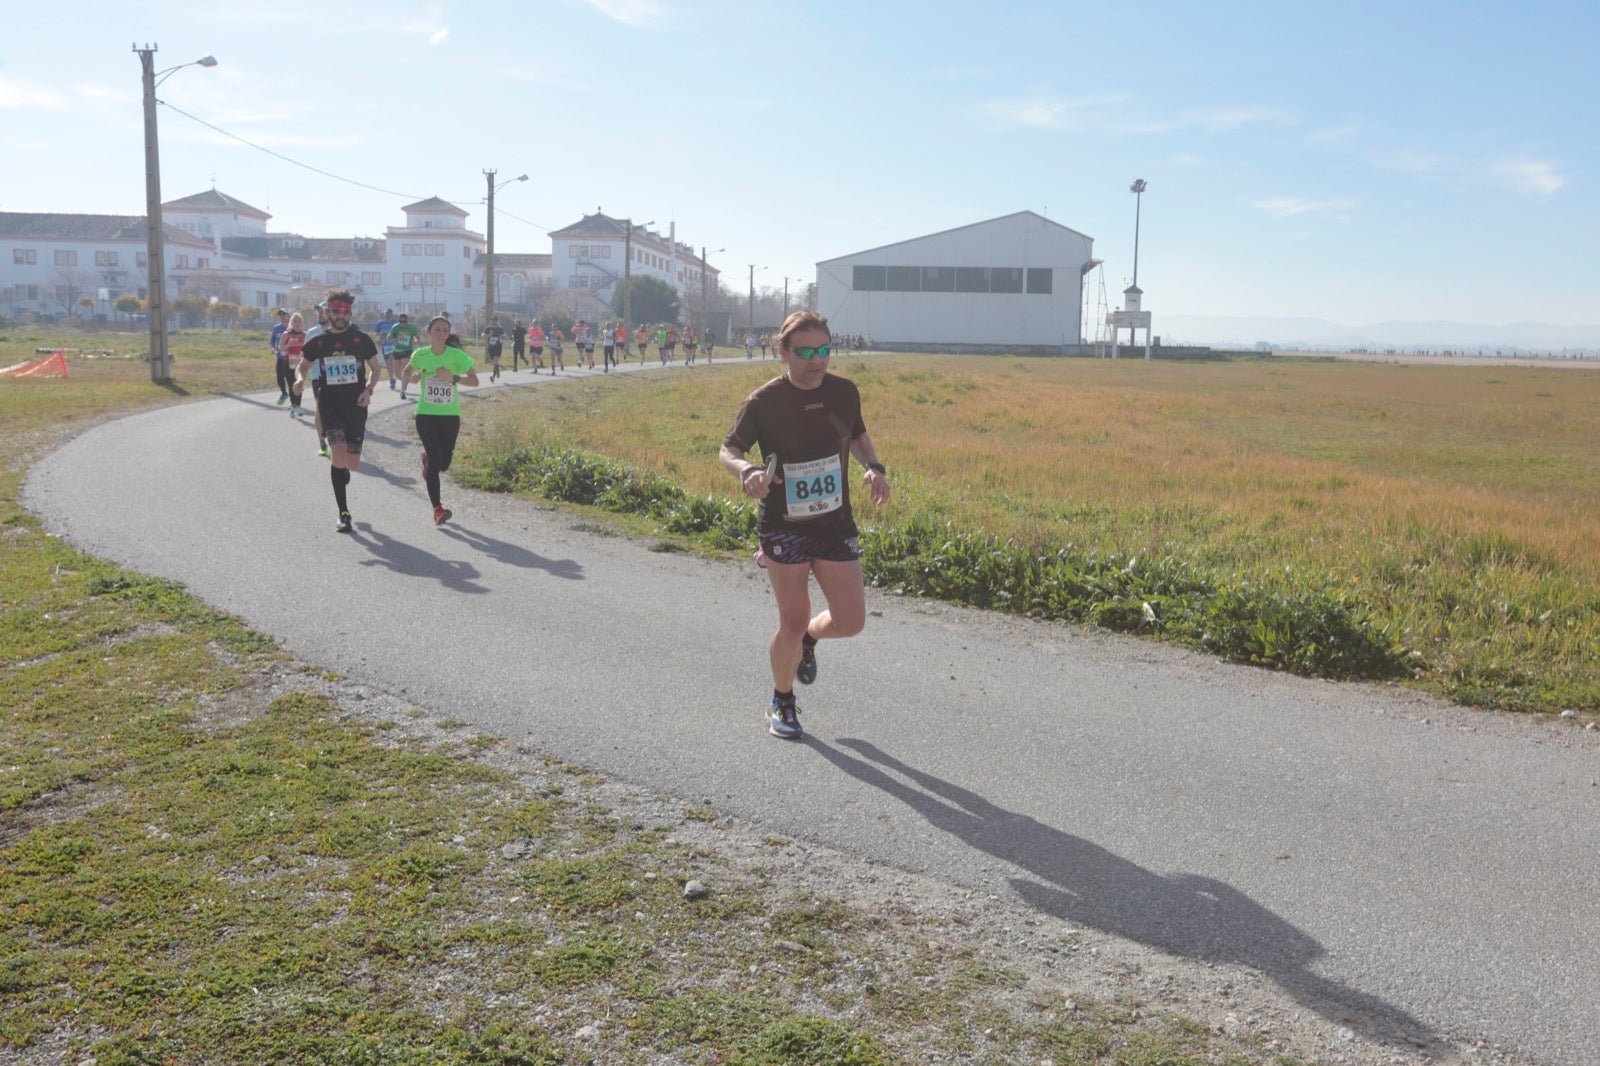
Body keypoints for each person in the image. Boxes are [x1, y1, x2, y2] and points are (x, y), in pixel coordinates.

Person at [718, 310, 890, 740]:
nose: (817, 361)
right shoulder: (763, 401)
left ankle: (811, 641)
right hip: (784, 525)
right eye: (806, 352)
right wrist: (746, 471)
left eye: (824, 350)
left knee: (851, 621)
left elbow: (856, 435)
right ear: (783, 352)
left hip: (834, 523)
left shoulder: (844, 392)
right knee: (792, 618)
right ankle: (782, 699)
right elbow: (729, 448)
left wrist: (873, 467)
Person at [293, 289, 382, 533]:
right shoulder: (318, 342)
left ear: (350, 312)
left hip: (356, 407)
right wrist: (299, 380)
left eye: (344, 311)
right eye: (335, 311)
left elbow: (375, 368)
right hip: (330, 405)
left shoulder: (361, 339)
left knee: (351, 464)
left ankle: (341, 472)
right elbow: (302, 366)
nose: (340, 315)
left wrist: (369, 389)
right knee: (339, 456)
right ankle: (344, 513)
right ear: (327, 312)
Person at [404, 314, 480, 525]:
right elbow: (406, 372)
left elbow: (475, 381)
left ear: (448, 334)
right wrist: (413, 377)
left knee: (444, 463)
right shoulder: (420, 355)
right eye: (437, 329)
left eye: (445, 330)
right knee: (436, 459)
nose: (441, 332)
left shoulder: (457, 356)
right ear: (429, 332)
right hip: (426, 414)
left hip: (450, 415)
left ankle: (428, 462)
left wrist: (453, 378)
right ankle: (437, 508)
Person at [280, 312, 308, 419]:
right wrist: (288, 345)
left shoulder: (305, 335)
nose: (297, 323)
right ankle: (293, 405)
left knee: (299, 383)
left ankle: (298, 406)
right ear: (291, 322)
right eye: (295, 321)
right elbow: (281, 348)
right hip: (289, 362)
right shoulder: (286, 334)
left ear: (302, 323)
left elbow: (309, 349)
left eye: (299, 321)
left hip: (301, 363)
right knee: (291, 384)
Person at [387, 313, 420, 400]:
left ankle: (402, 391)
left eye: (404, 324)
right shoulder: (395, 327)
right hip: (397, 351)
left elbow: (417, 337)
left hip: (407, 351)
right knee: (398, 375)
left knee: (404, 370)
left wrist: (416, 340)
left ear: (406, 322)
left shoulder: (412, 328)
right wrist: (395, 339)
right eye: (401, 324)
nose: (402, 326)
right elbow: (388, 338)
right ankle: (410, 380)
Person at [270, 309, 292, 404]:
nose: (282, 317)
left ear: (288, 316)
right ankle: (284, 392)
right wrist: (272, 348)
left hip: (291, 357)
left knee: (289, 377)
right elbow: (272, 339)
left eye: (284, 315)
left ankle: (293, 397)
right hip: (280, 357)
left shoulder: (292, 328)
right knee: (279, 377)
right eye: (280, 316)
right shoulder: (276, 328)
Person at [373, 308, 397, 388]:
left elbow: (399, 333)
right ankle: (391, 378)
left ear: (391, 314)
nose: (387, 315)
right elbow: (376, 334)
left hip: (394, 345)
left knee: (391, 361)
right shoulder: (380, 323)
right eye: (386, 313)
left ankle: (393, 380)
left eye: (389, 313)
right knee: (388, 364)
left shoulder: (395, 323)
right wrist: (381, 333)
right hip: (385, 346)